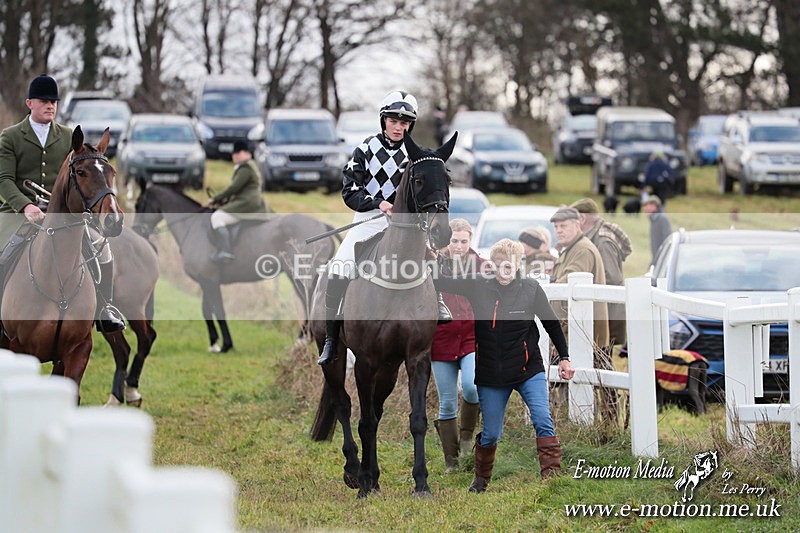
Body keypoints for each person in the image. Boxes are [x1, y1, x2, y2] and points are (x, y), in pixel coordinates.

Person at [316, 90, 451, 365]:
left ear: (410, 125)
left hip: (406, 227)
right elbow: (349, 191)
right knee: (340, 266)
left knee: (430, 261)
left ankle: (437, 303)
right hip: (369, 220)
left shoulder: (416, 155)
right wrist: (379, 204)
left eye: (404, 123)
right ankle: (332, 337)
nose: (399, 127)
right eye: (393, 121)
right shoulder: (365, 149)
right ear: (384, 120)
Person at [435, 239, 574, 492]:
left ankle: (553, 480)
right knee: (490, 434)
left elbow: (551, 323)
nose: (504, 271)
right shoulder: (477, 284)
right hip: (491, 374)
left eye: (509, 266)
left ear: (518, 265)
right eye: (499, 265)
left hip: (527, 369)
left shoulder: (531, 288)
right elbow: (441, 281)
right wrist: (432, 256)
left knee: (543, 419)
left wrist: (564, 357)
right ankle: (480, 481)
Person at [0, 74, 124, 332]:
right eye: (44, 101)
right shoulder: (10, 136)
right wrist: (25, 206)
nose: (50, 106)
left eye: (54, 101)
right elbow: (4, 179)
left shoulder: (70, 136)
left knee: (102, 247)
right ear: (29, 103)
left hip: (63, 214)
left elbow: (88, 171)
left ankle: (105, 308)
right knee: (4, 250)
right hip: (18, 212)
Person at [431, 218, 483, 473]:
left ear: (470, 240)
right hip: (440, 338)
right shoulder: (434, 265)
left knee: (473, 387)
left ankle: (466, 441)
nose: (459, 246)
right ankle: (451, 462)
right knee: (448, 402)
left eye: (464, 241)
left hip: (472, 337)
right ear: (447, 241)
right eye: (454, 241)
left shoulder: (481, 266)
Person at [570, 198, 632, 347]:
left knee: (602, 363)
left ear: (582, 218)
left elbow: (611, 278)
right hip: (603, 313)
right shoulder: (597, 237)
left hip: (606, 315)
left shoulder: (603, 242)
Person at [550, 206, 609, 350]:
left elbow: (567, 284)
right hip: (577, 332)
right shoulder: (572, 248)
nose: (558, 230)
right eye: (556, 226)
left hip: (585, 337)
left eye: (563, 226)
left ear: (577, 225)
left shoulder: (582, 250)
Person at [208, 140, 267, 263]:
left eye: (238, 153)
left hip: (246, 203)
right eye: (234, 153)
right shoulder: (249, 166)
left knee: (217, 217)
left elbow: (234, 188)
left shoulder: (245, 168)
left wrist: (216, 198)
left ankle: (225, 251)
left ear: (246, 153)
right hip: (248, 200)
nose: (234, 155)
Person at [644, 195, 672, 266]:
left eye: (648, 205)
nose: (645, 208)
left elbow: (667, 239)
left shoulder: (662, 218)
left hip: (663, 261)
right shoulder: (654, 220)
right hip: (657, 260)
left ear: (655, 206)